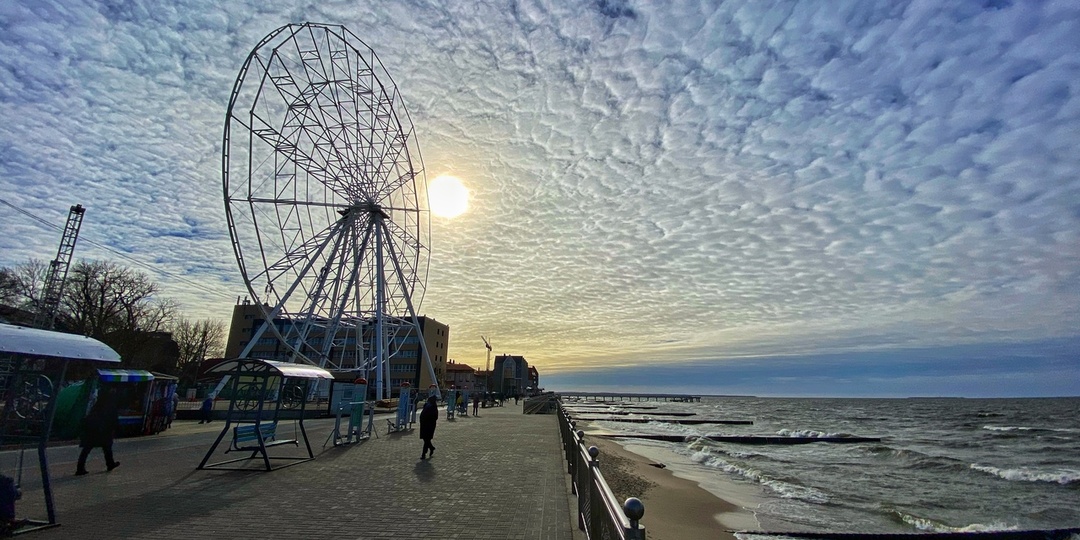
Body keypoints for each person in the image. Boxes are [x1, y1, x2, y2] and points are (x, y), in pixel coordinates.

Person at [75, 389, 120, 476]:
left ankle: (80, 468)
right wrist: (115, 428)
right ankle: (110, 464)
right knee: (107, 448)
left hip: (93, 431)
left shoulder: (97, 405)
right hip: (104, 431)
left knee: (87, 449)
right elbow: (113, 419)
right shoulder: (110, 405)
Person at [419, 395, 438, 459]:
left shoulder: (433, 407)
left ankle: (423, 454)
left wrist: (428, 419)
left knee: (427, 439)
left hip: (430, 425)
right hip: (424, 424)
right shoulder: (427, 405)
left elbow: (435, 417)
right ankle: (431, 448)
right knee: (425, 439)